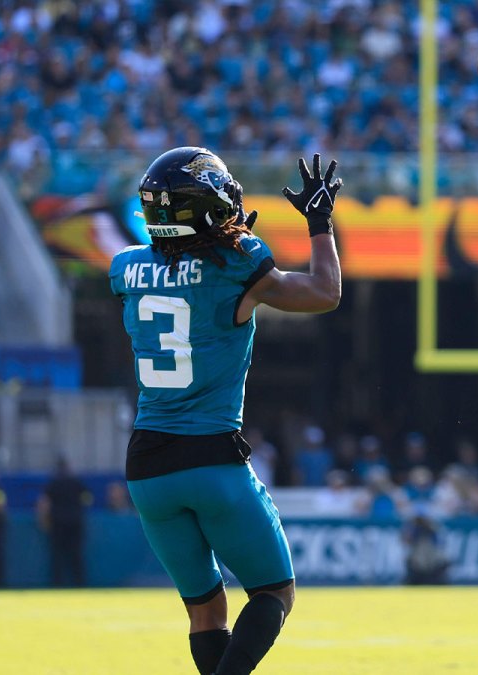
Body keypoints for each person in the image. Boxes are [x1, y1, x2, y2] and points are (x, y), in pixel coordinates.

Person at [110, 148, 343, 675]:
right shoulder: (239, 264)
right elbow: (325, 293)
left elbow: (178, 267)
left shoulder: (126, 268)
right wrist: (320, 224)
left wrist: (216, 238)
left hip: (147, 467)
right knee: (273, 593)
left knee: (205, 612)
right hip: (211, 457)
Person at [37, 457, 93, 587]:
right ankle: (79, 583)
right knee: (76, 554)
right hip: (75, 521)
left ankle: (57, 584)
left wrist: (43, 520)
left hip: (58, 523)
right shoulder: (76, 481)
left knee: (57, 556)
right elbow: (88, 499)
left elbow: (44, 503)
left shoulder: (53, 483)